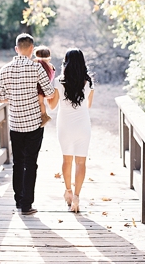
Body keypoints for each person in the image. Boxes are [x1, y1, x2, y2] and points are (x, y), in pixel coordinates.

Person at [0, 33, 55, 216]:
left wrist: (14, 99)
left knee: (17, 163)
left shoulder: (4, 70)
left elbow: (0, 98)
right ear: (32, 49)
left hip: (15, 124)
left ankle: (18, 199)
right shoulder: (36, 68)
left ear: (16, 49)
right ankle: (26, 205)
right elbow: (50, 93)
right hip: (33, 124)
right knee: (31, 163)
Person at [47, 48, 94, 213]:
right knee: (81, 162)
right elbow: (89, 105)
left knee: (67, 160)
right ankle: (77, 196)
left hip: (65, 126)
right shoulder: (89, 82)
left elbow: (52, 106)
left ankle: (68, 191)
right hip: (83, 126)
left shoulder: (59, 81)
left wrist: (47, 96)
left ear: (65, 62)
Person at [33, 46, 56, 127]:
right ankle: (43, 115)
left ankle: (44, 115)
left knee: (41, 102)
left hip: (40, 87)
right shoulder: (50, 65)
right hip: (47, 85)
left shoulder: (39, 63)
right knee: (41, 102)